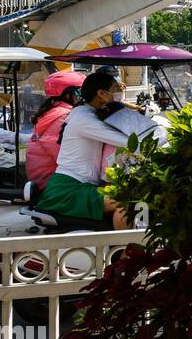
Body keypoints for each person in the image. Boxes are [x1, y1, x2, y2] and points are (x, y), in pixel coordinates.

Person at [36, 71, 134, 229]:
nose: (119, 93)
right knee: (126, 200)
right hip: (67, 190)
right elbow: (129, 142)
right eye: (117, 88)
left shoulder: (89, 113)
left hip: (81, 185)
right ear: (102, 94)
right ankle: (125, 252)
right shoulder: (84, 118)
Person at [26, 69, 86, 191]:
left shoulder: (54, 111)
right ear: (68, 94)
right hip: (51, 183)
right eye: (80, 92)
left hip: (44, 177)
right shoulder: (63, 118)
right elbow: (66, 157)